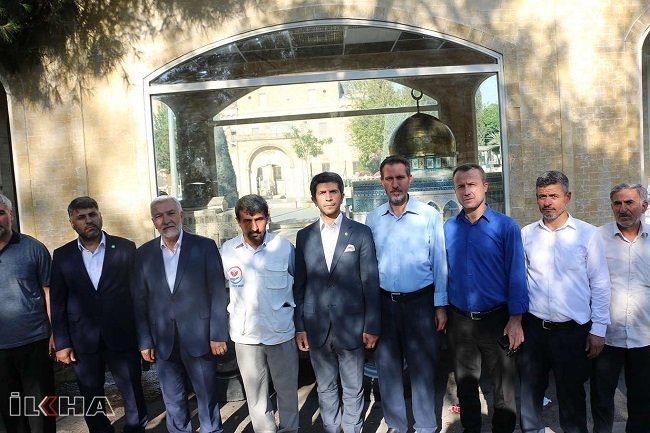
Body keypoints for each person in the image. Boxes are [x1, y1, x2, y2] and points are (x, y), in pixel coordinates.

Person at [519, 170, 610, 433]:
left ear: (567, 197)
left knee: (571, 396)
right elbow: (520, 281)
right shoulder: (527, 234)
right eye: (542, 196)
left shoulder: (588, 234)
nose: (547, 202)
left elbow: (600, 284)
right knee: (529, 392)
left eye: (553, 196)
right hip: (534, 330)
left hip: (572, 332)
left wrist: (598, 330)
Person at [50, 196, 148, 433]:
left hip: (122, 336)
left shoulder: (125, 248)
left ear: (100, 215)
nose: (88, 220)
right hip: (83, 340)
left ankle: (135, 429)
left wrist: (145, 338)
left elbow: (139, 296)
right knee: (91, 395)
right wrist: (62, 343)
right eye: (81, 217)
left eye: (92, 214)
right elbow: (58, 301)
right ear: (72, 222)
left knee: (133, 392)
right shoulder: (62, 255)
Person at [365, 156, 448, 433]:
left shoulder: (428, 216)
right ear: (382, 183)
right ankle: (396, 426)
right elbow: (369, 267)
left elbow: (439, 261)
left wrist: (440, 305)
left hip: (420, 304)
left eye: (400, 177)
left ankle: (425, 427)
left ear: (409, 179)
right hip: (385, 304)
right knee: (388, 370)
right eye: (389, 179)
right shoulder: (373, 219)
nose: (395, 184)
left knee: (422, 369)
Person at [132, 196, 228, 433]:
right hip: (163, 340)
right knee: (172, 399)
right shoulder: (144, 254)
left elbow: (218, 293)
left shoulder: (204, 247)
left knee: (207, 396)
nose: (166, 220)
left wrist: (218, 334)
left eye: (170, 213)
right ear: (153, 222)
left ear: (181, 215)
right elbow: (140, 301)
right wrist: (145, 341)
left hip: (200, 337)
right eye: (159, 216)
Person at [444, 163, 528, 433]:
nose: (466, 191)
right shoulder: (448, 228)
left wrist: (516, 320)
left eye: (472, 184)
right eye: (460, 186)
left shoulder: (505, 226)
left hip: (497, 320)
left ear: (485, 187)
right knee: (466, 387)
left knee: (504, 388)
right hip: (460, 321)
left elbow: (517, 274)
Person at [294, 172, 380, 433]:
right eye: (322, 193)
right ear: (314, 199)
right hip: (317, 326)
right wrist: (300, 326)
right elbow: (300, 284)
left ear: (342, 195)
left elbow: (370, 281)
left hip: (352, 325)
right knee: (325, 387)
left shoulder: (361, 233)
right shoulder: (304, 236)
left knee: (353, 387)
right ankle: (332, 428)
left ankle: (352, 428)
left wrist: (372, 325)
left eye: (333, 192)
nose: (328, 197)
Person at [220, 194, 299, 433]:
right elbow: (219, 290)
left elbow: (299, 287)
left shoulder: (283, 247)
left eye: (259, 219)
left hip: (280, 332)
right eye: (247, 221)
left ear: (267, 218)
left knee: (287, 391)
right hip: (246, 335)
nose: (254, 227)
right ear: (238, 221)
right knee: (255, 396)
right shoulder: (227, 251)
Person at [590, 183, 650, 433]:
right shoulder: (597, 238)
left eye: (629, 202)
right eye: (617, 203)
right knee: (601, 398)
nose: (622, 208)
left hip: (645, 336)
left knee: (643, 399)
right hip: (606, 336)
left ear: (644, 206)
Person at [0, 193, 55, 433]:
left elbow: (49, 293)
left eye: (1, 213)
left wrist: (56, 334)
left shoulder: (33, 248)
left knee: (43, 410)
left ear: (11, 215)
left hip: (35, 342)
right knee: (11, 415)